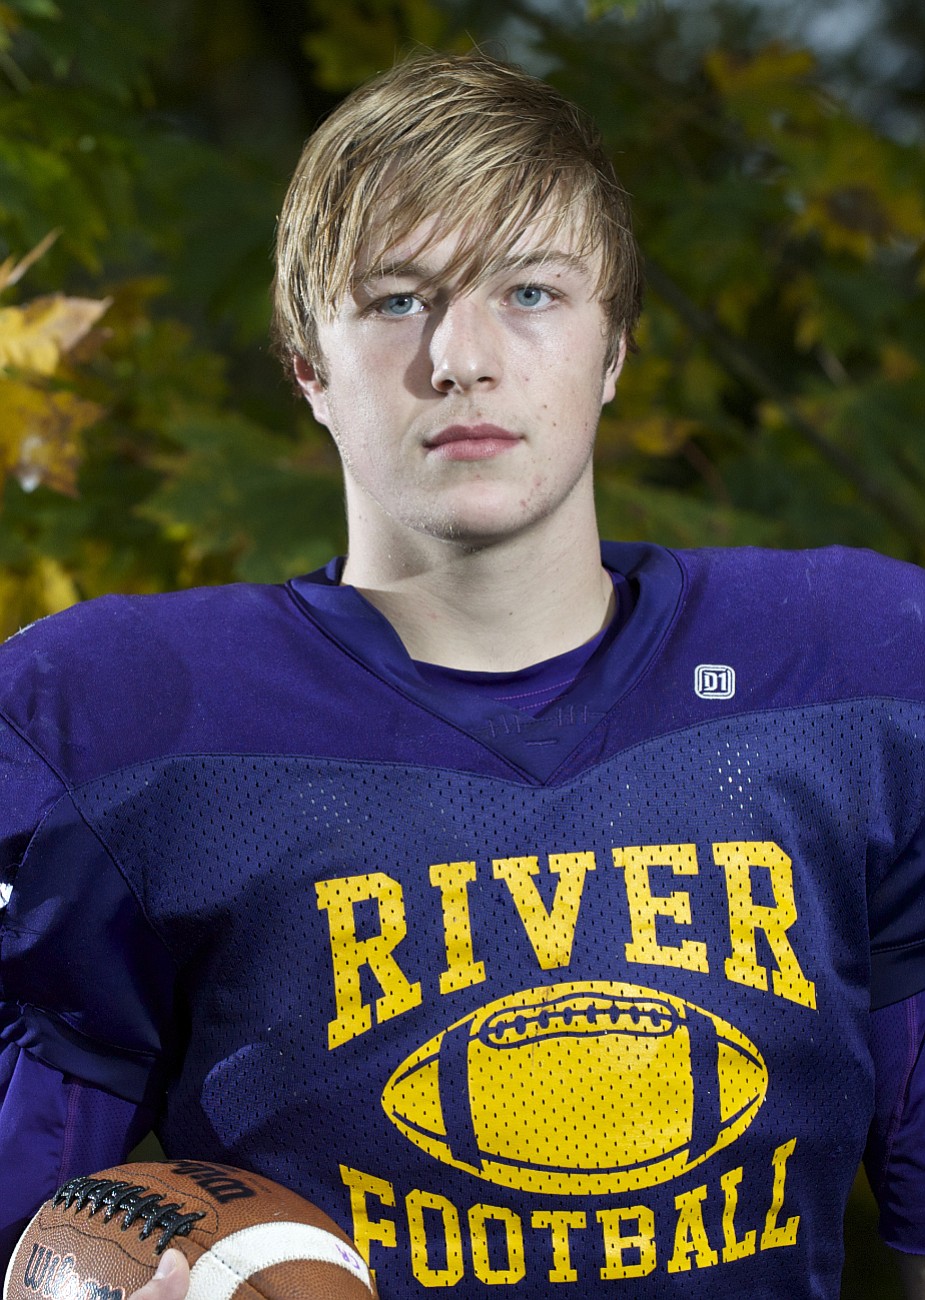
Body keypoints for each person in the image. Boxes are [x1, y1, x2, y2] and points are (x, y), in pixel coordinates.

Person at [1, 48, 924, 1300]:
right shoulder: (120, 723)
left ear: (612, 349)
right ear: (304, 366)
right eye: (395, 300)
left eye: (531, 292)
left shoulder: (855, 670)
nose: (461, 358)